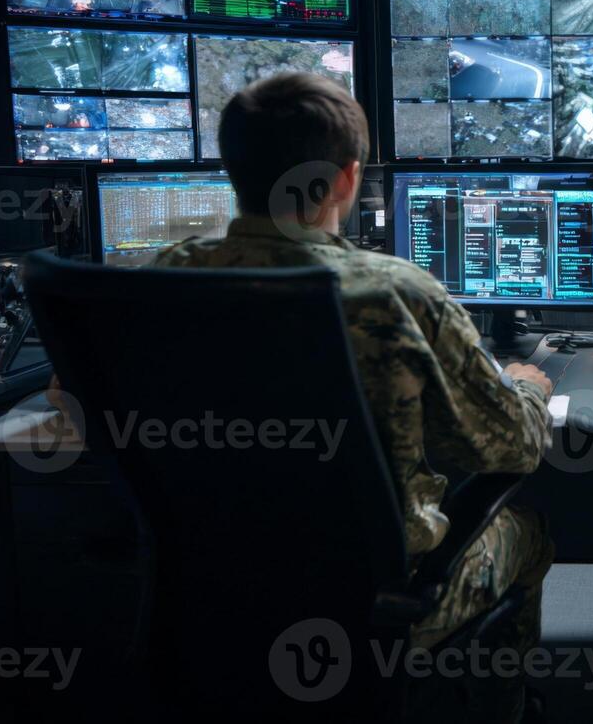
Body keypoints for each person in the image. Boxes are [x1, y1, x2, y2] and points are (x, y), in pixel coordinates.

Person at [152, 73, 554, 724]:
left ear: (232, 168)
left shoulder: (167, 276)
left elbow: (82, 386)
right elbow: (513, 447)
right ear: (346, 179)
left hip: (211, 595)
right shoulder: (395, 291)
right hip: (373, 605)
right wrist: (529, 391)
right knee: (528, 534)